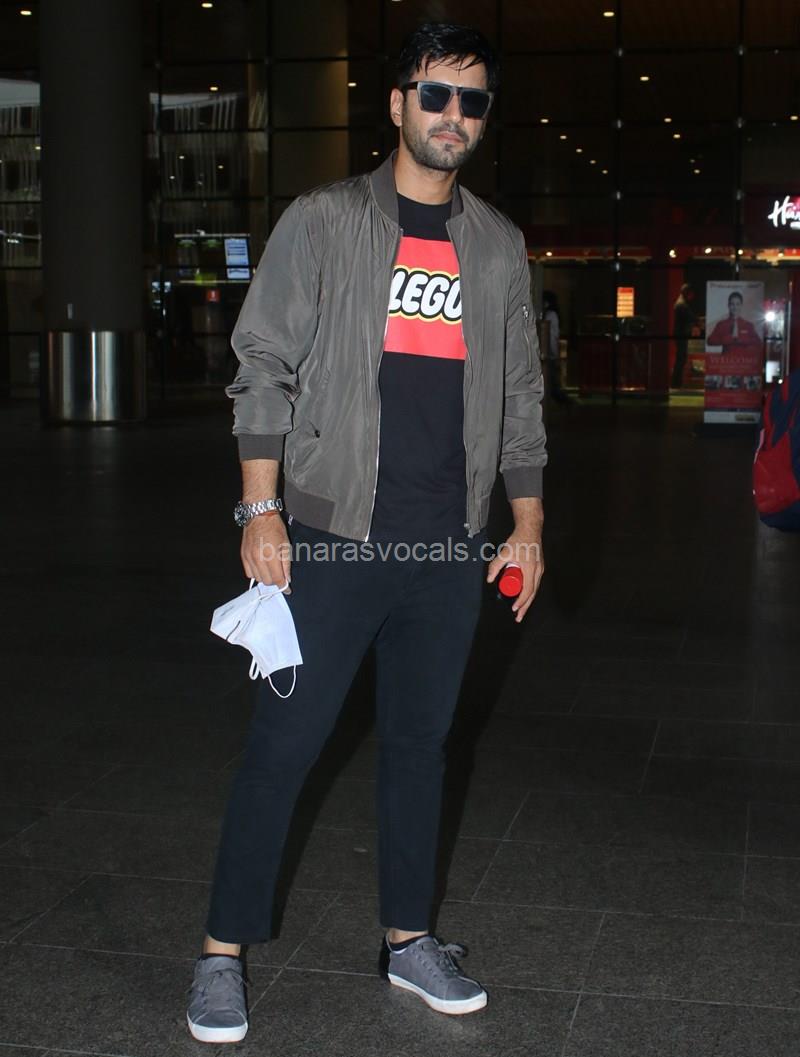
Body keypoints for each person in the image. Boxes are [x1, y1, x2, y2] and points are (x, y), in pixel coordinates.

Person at [186, 22, 547, 1044]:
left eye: (472, 100)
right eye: (435, 94)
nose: (452, 116)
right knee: (284, 746)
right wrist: (260, 509)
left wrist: (524, 523)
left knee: (420, 748)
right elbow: (262, 363)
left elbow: (520, 392)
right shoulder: (325, 220)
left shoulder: (496, 245)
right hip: (332, 538)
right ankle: (220, 952)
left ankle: (407, 938)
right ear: (397, 104)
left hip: (446, 546)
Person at [541, 289, 568, 401]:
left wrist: (552, 352)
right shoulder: (552, 314)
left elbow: (552, 335)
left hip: (550, 352)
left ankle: (560, 400)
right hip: (551, 352)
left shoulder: (550, 315)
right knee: (552, 380)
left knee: (551, 380)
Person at [671, 283, 696, 389]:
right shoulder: (682, 305)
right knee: (680, 359)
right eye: (690, 294)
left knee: (680, 359)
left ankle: (676, 383)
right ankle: (676, 383)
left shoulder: (680, 303)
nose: (692, 296)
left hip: (680, 334)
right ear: (687, 292)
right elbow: (691, 317)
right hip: (681, 335)